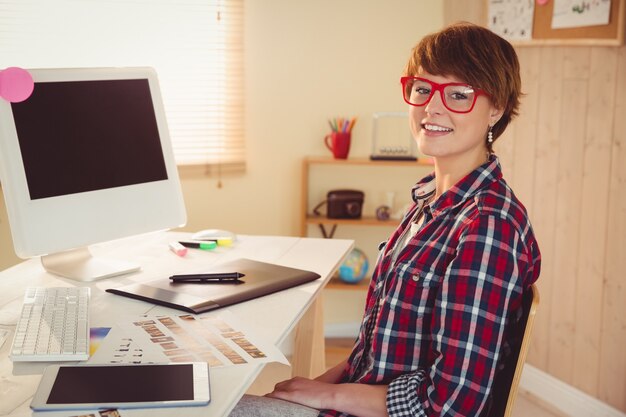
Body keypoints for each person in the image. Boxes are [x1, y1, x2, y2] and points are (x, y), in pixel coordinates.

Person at [230, 21, 541, 417]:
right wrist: (310, 389)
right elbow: (375, 351)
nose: (433, 106)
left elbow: (451, 406)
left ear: (495, 108)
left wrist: (326, 397)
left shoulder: (487, 226)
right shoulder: (430, 201)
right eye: (423, 89)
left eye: (459, 94)